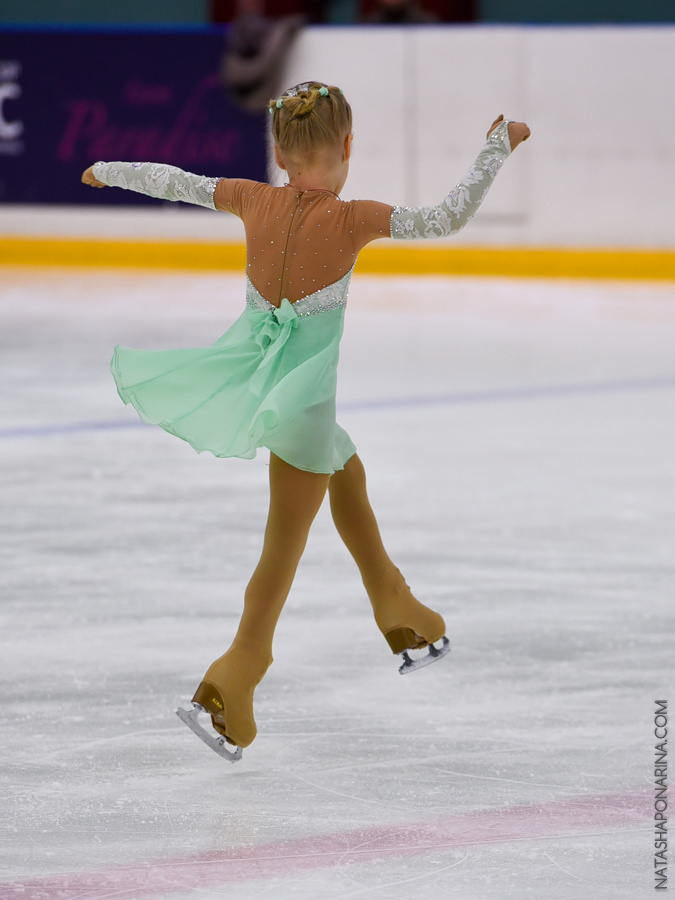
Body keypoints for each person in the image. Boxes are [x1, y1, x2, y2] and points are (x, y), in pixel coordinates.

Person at [81, 82, 530, 761]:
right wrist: (495, 147)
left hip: (270, 394)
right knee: (281, 547)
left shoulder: (249, 198)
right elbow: (445, 219)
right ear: (347, 147)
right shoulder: (353, 220)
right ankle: (236, 671)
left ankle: (396, 606)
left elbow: (173, 182)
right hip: (300, 414)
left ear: (278, 151)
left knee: (347, 472)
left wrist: (107, 172)